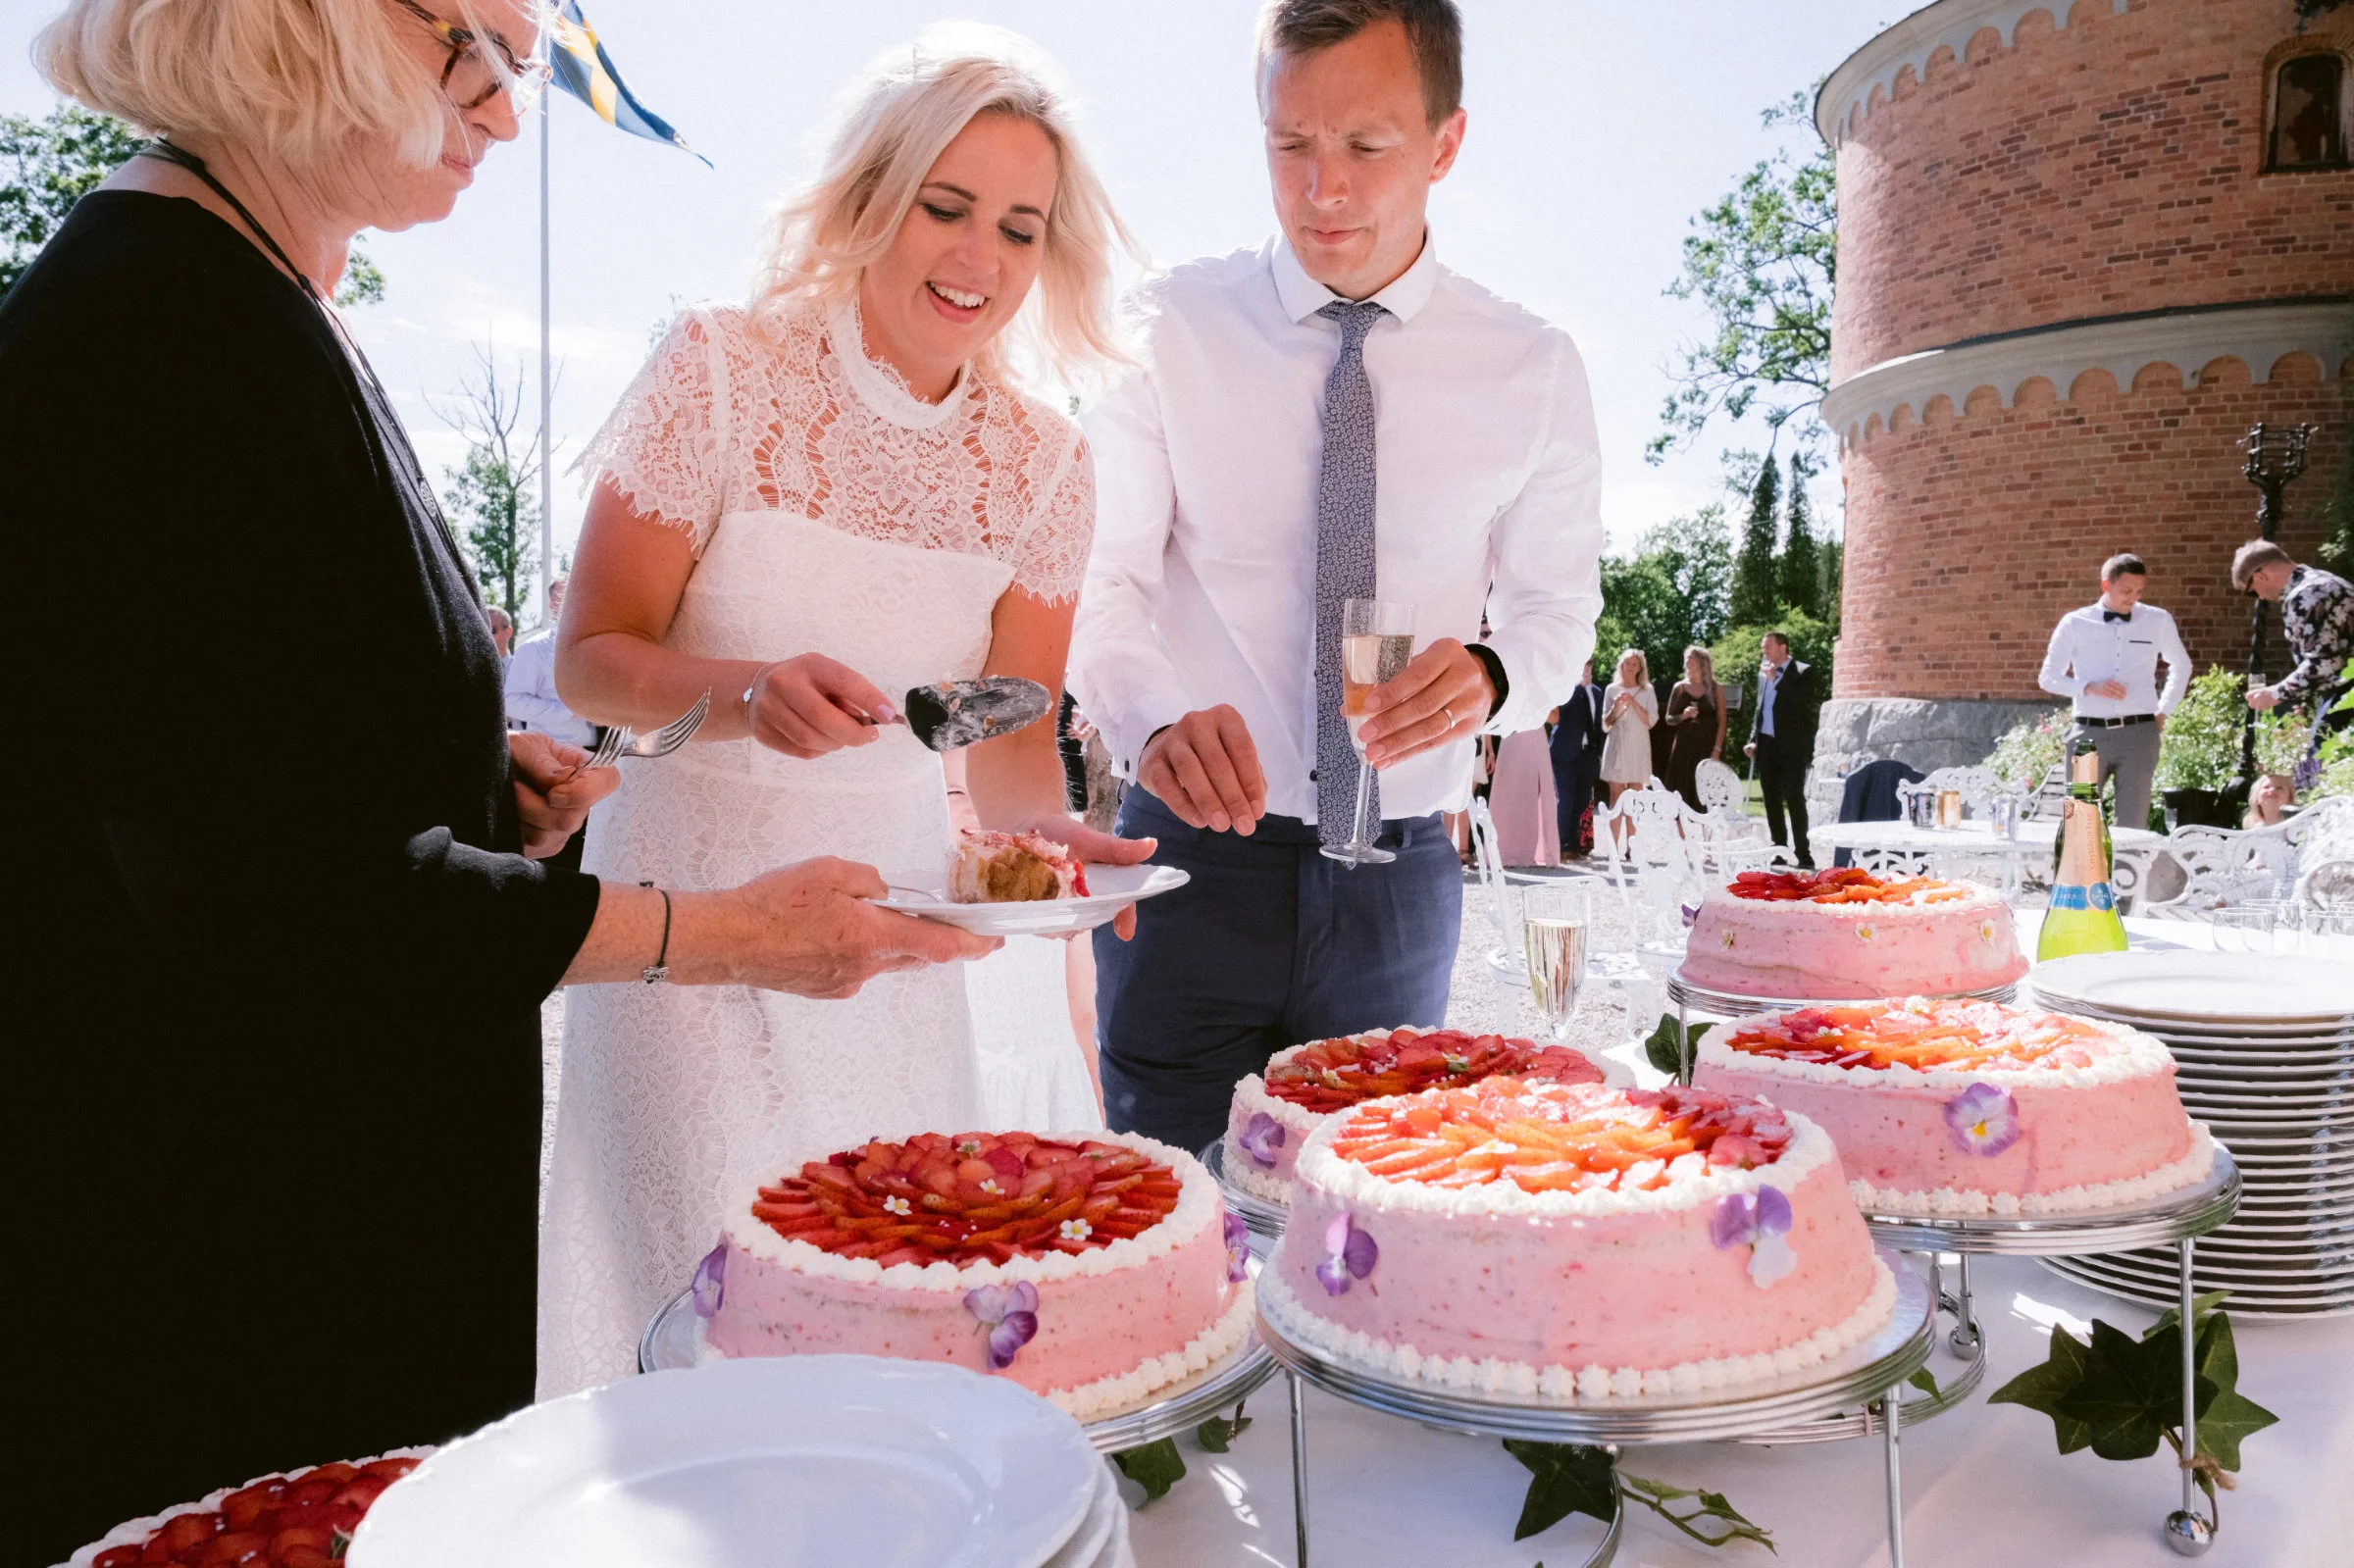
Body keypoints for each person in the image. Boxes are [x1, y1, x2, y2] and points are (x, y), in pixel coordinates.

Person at [3, 4, 993, 1556]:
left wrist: (474, 781)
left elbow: (245, 757)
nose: (503, 112)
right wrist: (734, 935)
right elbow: (294, 900)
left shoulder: (248, 298)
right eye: (476, 46)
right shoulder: (162, 337)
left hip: (289, 1218)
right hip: (212, 1271)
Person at [538, 26, 1147, 1397]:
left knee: (881, 1303)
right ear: (873, 194)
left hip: (889, 931)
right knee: (702, 1317)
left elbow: (1004, 731)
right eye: (944, 204)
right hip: (686, 917)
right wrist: (744, 697)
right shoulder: (717, 368)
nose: (976, 257)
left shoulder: (1046, 462)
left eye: (1018, 225)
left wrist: (1058, 847)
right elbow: (592, 655)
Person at [1068, 0, 1603, 1152]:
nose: (1324, 192)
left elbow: (1559, 613)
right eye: (1289, 146)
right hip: (1183, 867)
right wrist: (1152, 718)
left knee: (1370, 1245)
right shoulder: (1165, 328)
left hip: (1401, 879)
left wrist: (1498, 675)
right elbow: (1096, 581)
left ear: (1445, 143)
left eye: (1365, 148)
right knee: (1171, 1228)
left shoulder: (1536, 367)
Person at [2035, 551, 2190, 832]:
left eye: (2139, 591)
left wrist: (2164, 709)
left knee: (2133, 826)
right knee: (2080, 823)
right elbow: (2048, 678)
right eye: (2126, 590)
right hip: (2088, 734)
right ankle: (2083, 878)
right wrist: (2088, 687)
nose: (2133, 597)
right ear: (2106, 585)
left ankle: (2126, 877)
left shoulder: (2157, 620)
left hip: (2139, 734)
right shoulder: (2075, 623)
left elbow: (2181, 665)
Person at [2235, 540, 2354, 745]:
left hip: (2345, 692)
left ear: (2260, 576)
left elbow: (2324, 663)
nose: (2261, 597)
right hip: (2344, 688)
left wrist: (2275, 694)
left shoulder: (2305, 597)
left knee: (2317, 766)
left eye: (2252, 591)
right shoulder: (2325, 581)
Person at [1744, 630, 1821, 868]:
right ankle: (1778, 849)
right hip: (1766, 746)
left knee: (1794, 799)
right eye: (1763, 647)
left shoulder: (1802, 671)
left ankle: (1803, 854)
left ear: (1783, 647)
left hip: (1792, 747)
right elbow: (1761, 709)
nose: (1764, 651)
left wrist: (1775, 681)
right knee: (1771, 800)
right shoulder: (1764, 673)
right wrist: (1752, 739)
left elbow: (1801, 702)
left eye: (1768, 646)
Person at [503, 576, 595, 746]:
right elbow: (512, 703)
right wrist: (569, 711)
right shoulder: (533, 648)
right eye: (567, 595)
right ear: (552, 604)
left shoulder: (598, 648)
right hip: (554, 756)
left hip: (604, 755)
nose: (578, 601)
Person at [1549, 655, 1605, 856]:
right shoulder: (1566, 689)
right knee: (1564, 800)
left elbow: (1599, 723)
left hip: (1588, 754)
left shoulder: (1598, 693)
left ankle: (1573, 846)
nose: (1585, 672)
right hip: (1564, 752)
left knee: (1581, 801)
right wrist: (1576, 687)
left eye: (1588, 668)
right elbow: (1556, 715)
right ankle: (1559, 845)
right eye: (1582, 669)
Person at [1660, 643, 1726, 810]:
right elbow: (1669, 719)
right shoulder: (1680, 687)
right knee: (1680, 794)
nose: (1688, 661)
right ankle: (1681, 834)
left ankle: (1704, 834)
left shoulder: (1715, 688)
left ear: (1702, 662)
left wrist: (1717, 749)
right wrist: (1684, 715)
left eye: (1692, 658)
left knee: (1706, 796)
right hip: (1684, 747)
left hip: (1707, 747)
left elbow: (1723, 721)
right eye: (1686, 658)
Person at [1488, 723, 1559, 867]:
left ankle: (1519, 850)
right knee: (1509, 794)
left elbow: (1554, 717)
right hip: (1515, 735)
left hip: (1527, 735)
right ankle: (1508, 850)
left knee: (1523, 794)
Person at [1599, 648, 1658, 803]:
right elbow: (1605, 724)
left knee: (1635, 800)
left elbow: (1651, 721)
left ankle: (1633, 829)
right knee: (1615, 797)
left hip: (1638, 748)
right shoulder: (1611, 689)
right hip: (1616, 746)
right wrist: (1616, 706)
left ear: (1640, 668)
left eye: (1634, 664)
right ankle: (1616, 829)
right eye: (1627, 663)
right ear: (1621, 665)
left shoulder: (1647, 690)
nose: (1630, 667)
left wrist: (1633, 701)